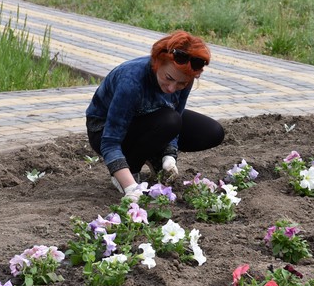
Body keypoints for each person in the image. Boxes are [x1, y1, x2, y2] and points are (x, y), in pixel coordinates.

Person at [86, 30, 225, 200]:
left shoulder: (184, 77)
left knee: (212, 131)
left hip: (153, 118)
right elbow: (110, 142)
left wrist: (169, 156)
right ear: (157, 62)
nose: (172, 88)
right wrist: (131, 187)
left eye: (181, 83)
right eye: (168, 78)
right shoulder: (132, 80)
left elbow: (176, 120)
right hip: (103, 130)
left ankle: (154, 156)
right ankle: (129, 169)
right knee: (169, 120)